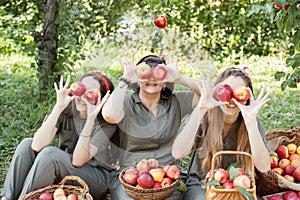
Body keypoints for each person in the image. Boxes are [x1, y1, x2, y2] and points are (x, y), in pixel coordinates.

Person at [0, 72, 117, 200]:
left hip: (96, 180)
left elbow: (77, 161)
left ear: (103, 98)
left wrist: (90, 118)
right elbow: (36, 145)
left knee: (51, 155)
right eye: (81, 88)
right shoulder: (67, 109)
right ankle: (7, 197)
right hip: (65, 169)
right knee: (26, 144)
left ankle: (24, 198)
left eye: (91, 92)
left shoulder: (107, 124)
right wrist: (58, 107)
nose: (83, 96)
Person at [102, 54, 202, 200]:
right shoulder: (126, 102)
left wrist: (179, 77)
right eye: (146, 73)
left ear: (165, 82)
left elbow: (207, 93)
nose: (152, 78)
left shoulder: (177, 101)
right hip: (130, 182)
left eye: (158, 73)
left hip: (168, 181)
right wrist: (126, 79)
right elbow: (110, 116)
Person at [172, 67, 271, 200]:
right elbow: (178, 153)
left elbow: (264, 167)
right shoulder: (205, 118)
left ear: (247, 98)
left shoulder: (252, 122)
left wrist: (251, 122)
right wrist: (200, 110)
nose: (231, 100)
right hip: (202, 186)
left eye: (238, 93)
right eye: (226, 91)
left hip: (238, 187)